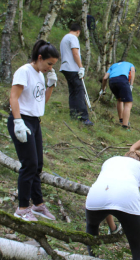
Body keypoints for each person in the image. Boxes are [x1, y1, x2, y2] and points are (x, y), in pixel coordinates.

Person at [8, 40, 59, 221]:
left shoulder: (39, 74)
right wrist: (18, 122)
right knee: (28, 164)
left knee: (37, 165)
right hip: (22, 120)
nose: (50, 68)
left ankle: (38, 205)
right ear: (39, 58)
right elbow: (14, 98)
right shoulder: (24, 71)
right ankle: (22, 207)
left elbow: (40, 103)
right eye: (49, 64)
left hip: (35, 122)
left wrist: (50, 85)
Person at [85, 150, 140, 260]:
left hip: (95, 196)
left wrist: (113, 228)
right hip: (127, 197)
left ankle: (92, 256)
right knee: (139, 248)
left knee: (92, 226)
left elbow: (108, 203)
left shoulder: (110, 161)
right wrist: (134, 226)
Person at [59, 23, 93, 126]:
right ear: (78, 32)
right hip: (72, 68)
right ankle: (84, 117)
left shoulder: (64, 38)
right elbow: (75, 53)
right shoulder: (73, 38)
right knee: (80, 91)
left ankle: (73, 114)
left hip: (65, 67)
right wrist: (80, 67)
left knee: (73, 92)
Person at [99, 61, 135, 129]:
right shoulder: (130, 64)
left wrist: (103, 90)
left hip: (112, 81)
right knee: (128, 103)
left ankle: (121, 120)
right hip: (122, 80)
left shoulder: (113, 65)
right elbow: (132, 71)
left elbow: (105, 78)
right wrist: (131, 85)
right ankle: (125, 125)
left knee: (120, 99)